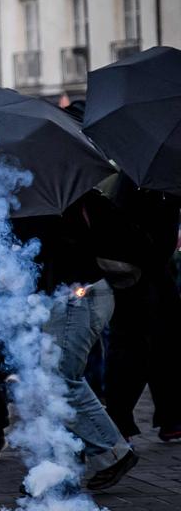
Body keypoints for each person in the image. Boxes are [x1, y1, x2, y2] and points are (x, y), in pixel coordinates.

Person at [15, 190, 144, 492]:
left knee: (61, 379)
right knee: (51, 381)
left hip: (78, 297)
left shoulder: (59, 203)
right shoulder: (71, 196)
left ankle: (113, 452)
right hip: (73, 297)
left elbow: (49, 251)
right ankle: (60, 470)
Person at [102, 176, 181, 442]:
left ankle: (166, 416)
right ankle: (120, 417)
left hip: (150, 278)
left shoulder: (155, 185)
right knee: (136, 349)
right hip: (138, 279)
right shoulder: (139, 185)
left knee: (160, 348)